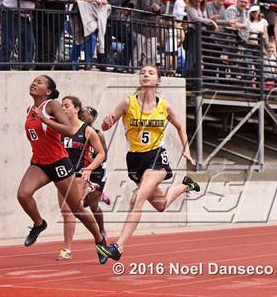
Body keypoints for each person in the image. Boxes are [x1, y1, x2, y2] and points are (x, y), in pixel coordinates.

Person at [95, 65, 200, 261]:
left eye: (150, 73)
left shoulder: (164, 106)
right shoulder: (128, 103)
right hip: (135, 160)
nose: (145, 75)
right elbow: (105, 125)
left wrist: (186, 147)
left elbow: (179, 125)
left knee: (137, 199)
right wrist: (106, 123)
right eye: (143, 72)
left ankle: (118, 247)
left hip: (156, 157)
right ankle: (186, 186)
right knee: (161, 205)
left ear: (158, 80)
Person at [18, 75, 107, 263]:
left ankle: (100, 240)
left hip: (59, 163)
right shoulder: (30, 110)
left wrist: (45, 119)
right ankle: (39, 224)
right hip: (40, 163)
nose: (34, 83)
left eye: (39, 82)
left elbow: (69, 130)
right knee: (23, 195)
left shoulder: (52, 106)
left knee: (76, 210)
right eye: (33, 80)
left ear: (48, 91)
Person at [56, 96, 106, 262]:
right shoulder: (60, 129)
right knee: (67, 213)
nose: (63, 109)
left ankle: (72, 247)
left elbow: (101, 153)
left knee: (72, 212)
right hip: (62, 175)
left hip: (78, 175)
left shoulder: (87, 130)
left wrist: (90, 168)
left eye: (67, 105)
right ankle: (95, 240)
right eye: (61, 106)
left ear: (76, 109)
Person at [79, 106, 111, 206]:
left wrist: (92, 159)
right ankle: (96, 194)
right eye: (81, 116)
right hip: (83, 168)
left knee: (93, 206)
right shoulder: (76, 133)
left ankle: (99, 195)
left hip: (97, 170)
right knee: (81, 203)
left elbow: (104, 157)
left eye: (86, 117)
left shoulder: (98, 134)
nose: (82, 118)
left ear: (92, 120)